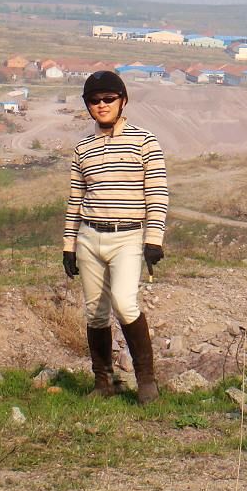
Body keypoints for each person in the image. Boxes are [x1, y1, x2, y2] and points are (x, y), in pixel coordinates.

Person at [62, 70, 169, 404]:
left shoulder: (145, 141)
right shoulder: (82, 149)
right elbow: (75, 200)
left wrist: (154, 239)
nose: (102, 105)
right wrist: (69, 245)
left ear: (123, 101)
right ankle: (103, 381)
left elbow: (158, 193)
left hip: (128, 238)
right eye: (94, 100)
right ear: (87, 106)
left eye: (108, 98)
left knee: (125, 303)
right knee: (95, 311)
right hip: (90, 238)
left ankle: (147, 382)